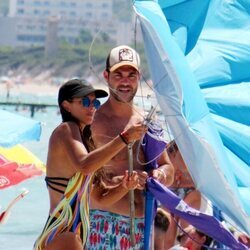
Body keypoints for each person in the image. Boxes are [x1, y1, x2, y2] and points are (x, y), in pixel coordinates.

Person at [33, 79, 147, 250]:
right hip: (62, 233)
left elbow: (101, 197)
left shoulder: (84, 141)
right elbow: (84, 165)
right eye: (85, 102)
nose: (92, 106)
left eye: (95, 102)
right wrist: (125, 138)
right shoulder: (65, 130)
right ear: (66, 105)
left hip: (72, 234)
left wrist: (125, 186)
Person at [86, 45, 175, 249]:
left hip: (142, 226)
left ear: (139, 76)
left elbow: (168, 170)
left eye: (131, 74)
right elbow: (82, 174)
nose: (125, 81)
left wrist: (157, 175)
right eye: (118, 74)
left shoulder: (148, 121)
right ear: (106, 76)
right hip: (102, 221)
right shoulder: (93, 122)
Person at [164, 140, 203, 249]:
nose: (190, 158)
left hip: (186, 193)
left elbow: (188, 230)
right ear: (175, 151)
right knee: (166, 229)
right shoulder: (161, 161)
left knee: (186, 234)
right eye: (186, 153)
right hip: (168, 192)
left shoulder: (192, 184)